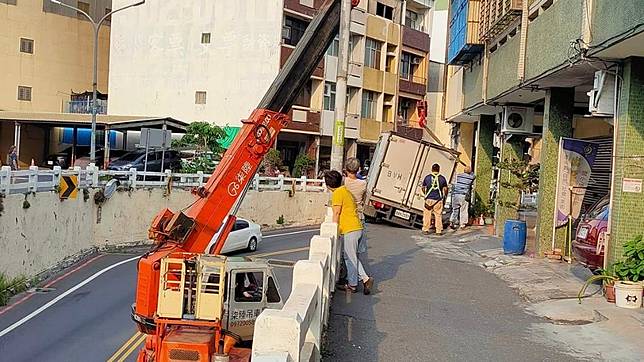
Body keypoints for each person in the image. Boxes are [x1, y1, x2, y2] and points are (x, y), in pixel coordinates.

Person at [324, 170, 374, 295]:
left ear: (328, 185)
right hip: (357, 227)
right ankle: (360, 281)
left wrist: (333, 229)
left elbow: (336, 213)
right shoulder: (345, 191)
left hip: (350, 229)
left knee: (350, 258)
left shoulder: (337, 194)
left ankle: (357, 282)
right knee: (350, 257)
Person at [343, 158, 367, 254]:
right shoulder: (363, 183)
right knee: (355, 251)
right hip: (359, 216)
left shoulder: (344, 182)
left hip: (346, 217)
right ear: (358, 169)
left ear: (346, 169)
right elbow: (364, 199)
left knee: (347, 253)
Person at [421, 163, 448, 235]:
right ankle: (438, 231)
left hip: (428, 200)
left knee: (427, 215)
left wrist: (425, 194)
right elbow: (445, 189)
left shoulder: (427, 177)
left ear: (432, 169)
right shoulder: (442, 178)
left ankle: (425, 229)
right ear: (439, 170)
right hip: (438, 200)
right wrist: (445, 196)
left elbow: (423, 187)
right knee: (438, 215)